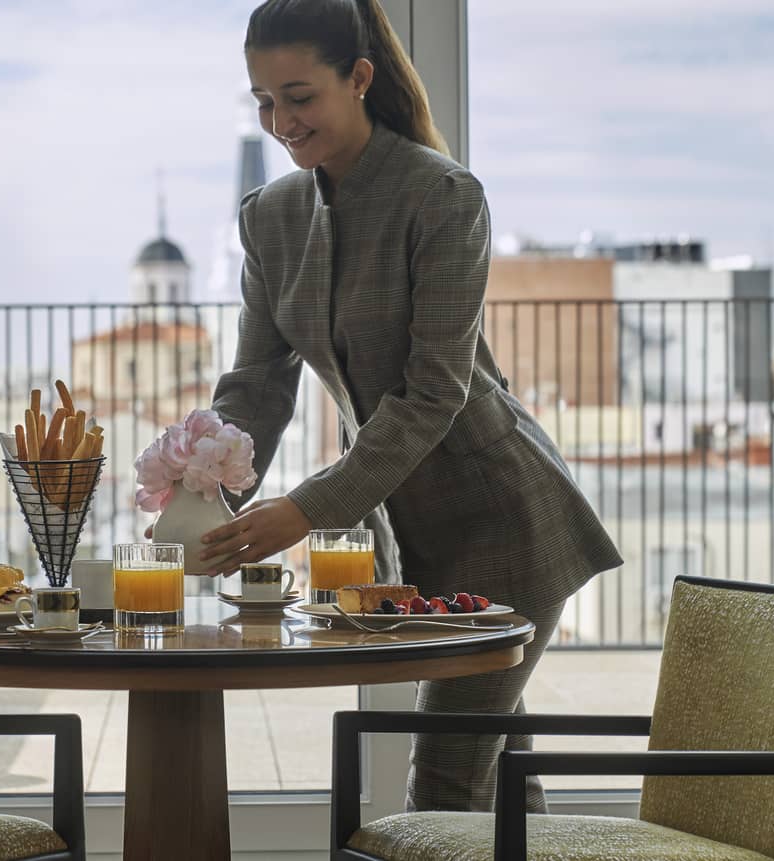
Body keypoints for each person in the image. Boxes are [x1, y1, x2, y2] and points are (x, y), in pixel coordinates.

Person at [197, 0, 623, 814]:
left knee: (446, 779)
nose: (281, 123)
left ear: (359, 78)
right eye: (264, 101)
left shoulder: (444, 196)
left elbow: (434, 392)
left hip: (505, 522)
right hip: (412, 531)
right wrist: (201, 491)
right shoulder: (269, 219)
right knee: (498, 774)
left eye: (300, 96)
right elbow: (256, 385)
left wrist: (305, 509)